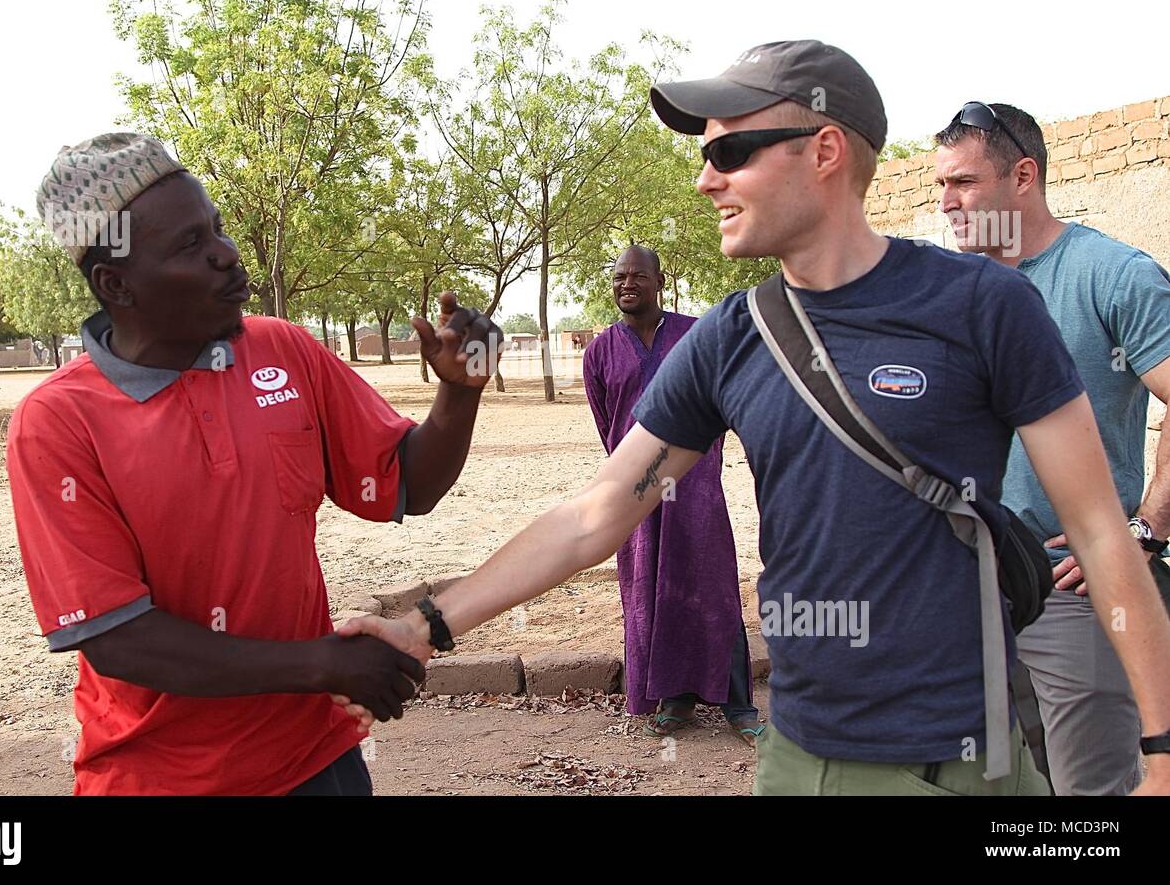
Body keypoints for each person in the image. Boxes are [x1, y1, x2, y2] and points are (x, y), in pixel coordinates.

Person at [337, 41, 1170, 795]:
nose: (706, 178)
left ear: (825, 152)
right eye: (705, 156)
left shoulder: (984, 306)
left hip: (957, 760)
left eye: (731, 151)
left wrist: (1162, 752)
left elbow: (1100, 532)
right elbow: (596, 515)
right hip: (797, 760)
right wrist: (427, 624)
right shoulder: (733, 337)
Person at [7, 132, 500, 795]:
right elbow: (118, 640)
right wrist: (319, 665)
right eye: (189, 245)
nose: (226, 255)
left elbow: (408, 482)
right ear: (115, 283)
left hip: (318, 762)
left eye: (217, 228)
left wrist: (459, 393)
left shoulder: (282, 350)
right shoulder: (59, 424)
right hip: (160, 778)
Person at [935, 102, 1170, 794]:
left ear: (1024, 176)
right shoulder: (952, 294)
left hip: (1073, 584)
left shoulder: (1113, 275)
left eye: (964, 183)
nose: (946, 203)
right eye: (939, 185)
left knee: (1087, 793)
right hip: (967, 588)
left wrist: (1147, 526)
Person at [582, 243, 759, 742]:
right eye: (619, 277)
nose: (626, 285)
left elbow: (726, 400)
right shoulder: (600, 351)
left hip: (697, 486)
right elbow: (608, 425)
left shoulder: (696, 336)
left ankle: (739, 704)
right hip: (632, 493)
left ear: (661, 282)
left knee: (712, 586)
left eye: (638, 276)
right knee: (650, 591)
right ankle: (674, 698)